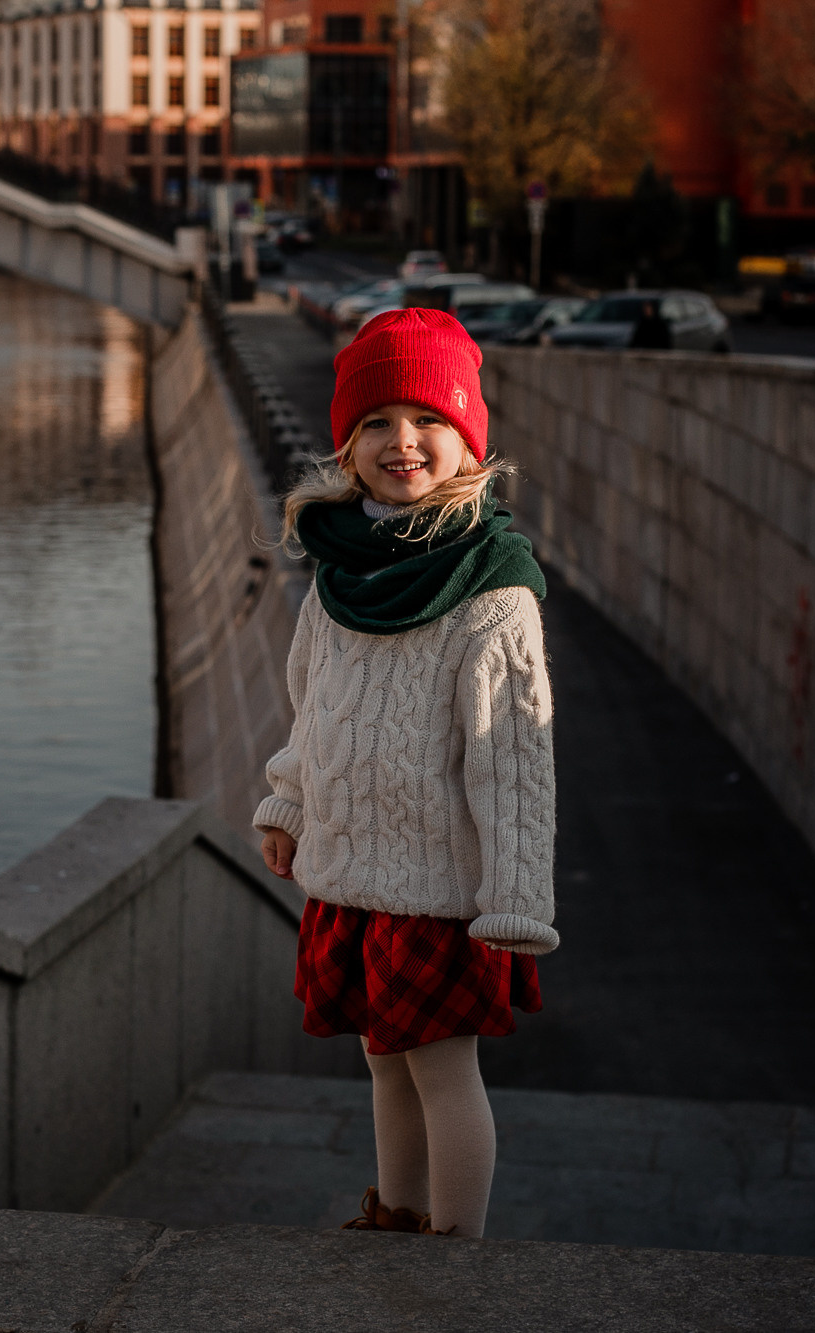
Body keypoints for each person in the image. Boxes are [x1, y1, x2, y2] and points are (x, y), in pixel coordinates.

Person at [255, 308, 556, 1239]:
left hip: (437, 890)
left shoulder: (492, 588)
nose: (403, 441)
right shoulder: (339, 569)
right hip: (351, 873)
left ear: (469, 437)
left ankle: (455, 1249)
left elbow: (515, 761)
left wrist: (515, 896)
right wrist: (288, 800)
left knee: (443, 1070)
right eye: (377, 421)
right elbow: (315, 706)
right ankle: (398, 1216)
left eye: (428, 418)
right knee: (383, 1059)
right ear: (347, 444)